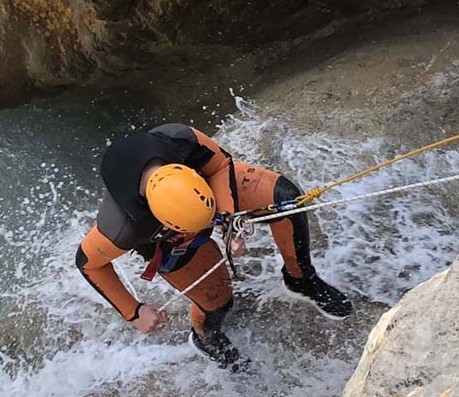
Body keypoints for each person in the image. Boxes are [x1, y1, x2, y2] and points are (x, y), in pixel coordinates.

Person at [75, 123, 352, 371]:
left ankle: (300, 278)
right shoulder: (124, 227)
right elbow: (88, 263)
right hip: (168, 239)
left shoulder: (181, 140)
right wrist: (133, 312)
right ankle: (207, 338)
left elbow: (219, 166)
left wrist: (228, 220)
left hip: (200, 190)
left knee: (285, 200)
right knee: (218, 303)